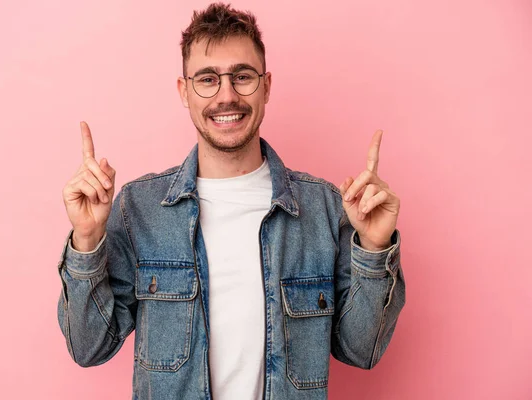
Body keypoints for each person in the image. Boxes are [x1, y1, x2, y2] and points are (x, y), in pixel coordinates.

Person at [57, 3, 406, 399]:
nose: (227, 96)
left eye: (242, 76)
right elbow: (89, 348)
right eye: (208, 79)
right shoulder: (138, 209)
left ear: (267, 85)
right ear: (184, 91)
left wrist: (375, 248)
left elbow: (361, 350)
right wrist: (86, 240)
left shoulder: (326, 209)